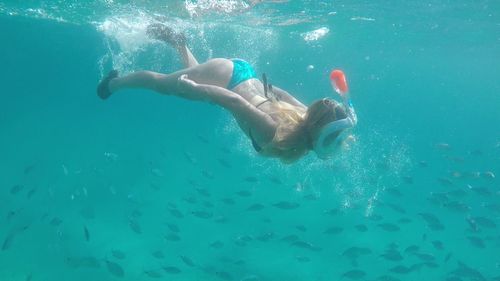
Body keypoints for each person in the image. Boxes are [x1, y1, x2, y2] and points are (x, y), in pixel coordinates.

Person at [97, 24, 357, 163]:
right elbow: (233, 102)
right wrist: (196, 89)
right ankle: (112, 84)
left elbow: (282, 93)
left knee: (200, 79)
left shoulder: (303, 118)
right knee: (164, 85)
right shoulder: (274, 131)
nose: (336, 143)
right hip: (228, 76)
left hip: (242, 74)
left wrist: (265, 91)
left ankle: (179, 42)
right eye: (335, 138)